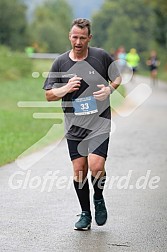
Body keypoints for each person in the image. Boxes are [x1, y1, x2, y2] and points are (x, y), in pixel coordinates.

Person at [43, 18, 121, 230]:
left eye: (82, 38)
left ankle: (98, 197)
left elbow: (117, 78)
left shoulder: (101, 56)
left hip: (99, 122)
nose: (78, 42)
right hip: (74, 125)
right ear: (70, 36)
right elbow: (49, 95)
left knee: (96, 166)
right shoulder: (60, 63)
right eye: (74, 37)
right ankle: (85, 213)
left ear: (89, 38)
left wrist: (110, 89)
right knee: (79, 171)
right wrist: (65, 88)